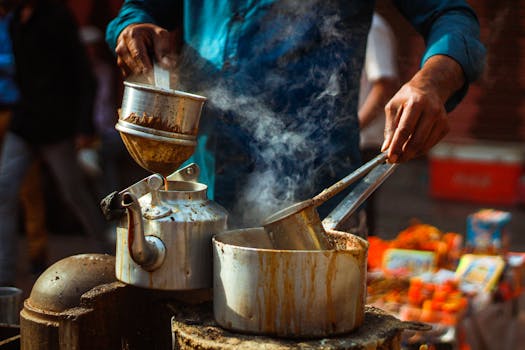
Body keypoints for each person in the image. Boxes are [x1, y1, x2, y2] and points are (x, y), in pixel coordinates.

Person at [106, 1, 485, 229]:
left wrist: (433, 81)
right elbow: (138, 10)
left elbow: (450, 14)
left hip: (313, 205)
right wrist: (131, 28)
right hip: (197, 192)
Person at [0, 0, 109, 286]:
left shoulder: (57, 16)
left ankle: (112, 254)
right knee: (4, 190)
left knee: (74, 194)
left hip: (56, 126)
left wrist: (84, 126)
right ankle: (3, 280)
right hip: (24, 123)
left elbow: (83, 76)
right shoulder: (13, 21)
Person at [0, 6, 48, 276]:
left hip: (18, 115)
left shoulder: (19, 22)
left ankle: (36, 252)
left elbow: (25, 63)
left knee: (27, 187)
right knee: (4, 189)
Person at [358, 12, 399, 237]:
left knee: (359, 220)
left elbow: (384, 84)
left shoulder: (372, 25)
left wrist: (354, 128)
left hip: (364, 143)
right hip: (351, 140)